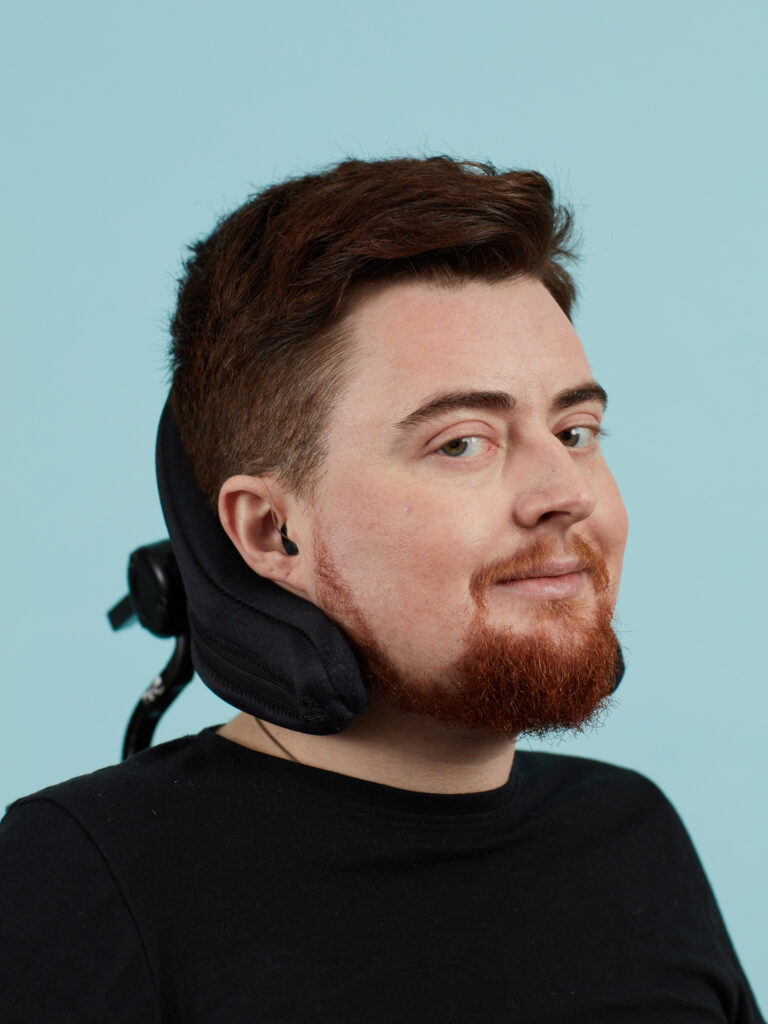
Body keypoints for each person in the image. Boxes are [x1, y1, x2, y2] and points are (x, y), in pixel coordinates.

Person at [0, 157, 763, 1022]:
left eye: (575, 429)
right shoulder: (82, 879)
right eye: (462, 444)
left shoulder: (632, 837)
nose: (568, 491)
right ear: (268, 530)